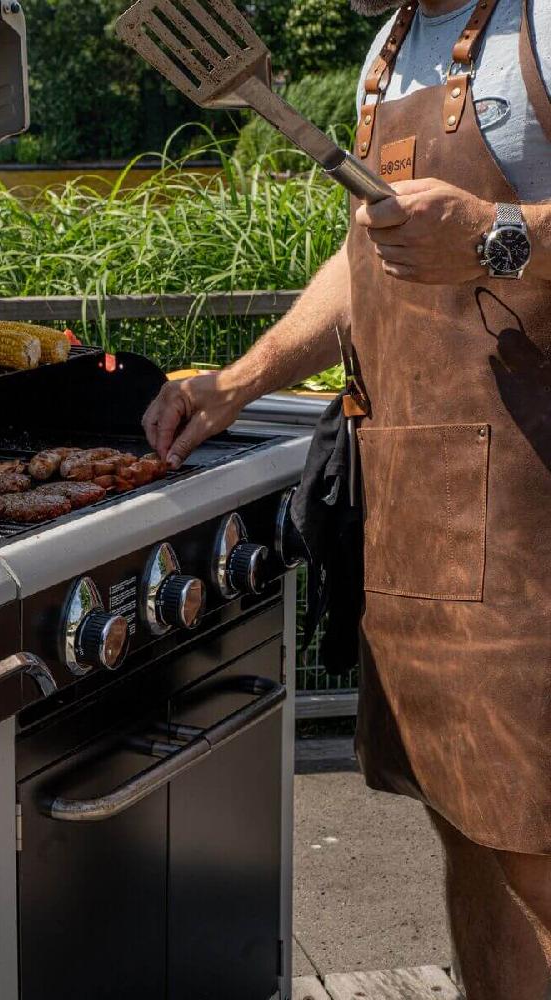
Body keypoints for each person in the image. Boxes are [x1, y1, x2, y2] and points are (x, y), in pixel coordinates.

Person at [142, 0, 551, 993]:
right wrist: (237, 380)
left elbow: (482, 237)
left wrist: (502, 235)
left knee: (538, 848)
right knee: (464, 828)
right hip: (419, 511)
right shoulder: (388, 54)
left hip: (535, 512)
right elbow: (364, 259)